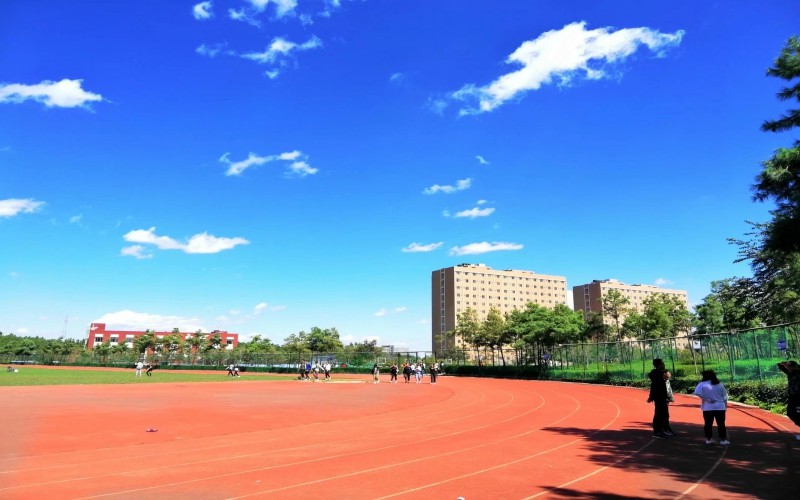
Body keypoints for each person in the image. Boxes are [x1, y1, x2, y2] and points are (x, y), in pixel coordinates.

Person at [693, 370, 729, 445]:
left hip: (707, 407)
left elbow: (696, 392)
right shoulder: (720, 384)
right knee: (721, 424)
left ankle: (708, 439)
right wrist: (725, 406)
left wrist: (706, 399)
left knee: (708, 423)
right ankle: (723, 440)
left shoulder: (702, 384)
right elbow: (725, 397)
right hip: (720, 407)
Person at [646, 358, 673, 438]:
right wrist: (651, 397)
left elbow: (667, 378)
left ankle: (665, 428)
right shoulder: (656, 373)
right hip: (659, 397)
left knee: (665, 414)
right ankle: (657, 431)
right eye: (662, 363)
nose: (664, 364)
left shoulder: (659, 373)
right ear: (658, 365)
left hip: (663, 396)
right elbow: (667, 376)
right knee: (659, 414)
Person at [777, 360, 800, 440]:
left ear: (794, 367)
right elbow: (780, 366)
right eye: (788, 367)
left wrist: (795, 366)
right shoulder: (790, 373)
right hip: (792, 396)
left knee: (798, 412)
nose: (788, 369)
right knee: (790, 412)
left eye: (790, 367)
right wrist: (784, 364)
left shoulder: (798, 372)